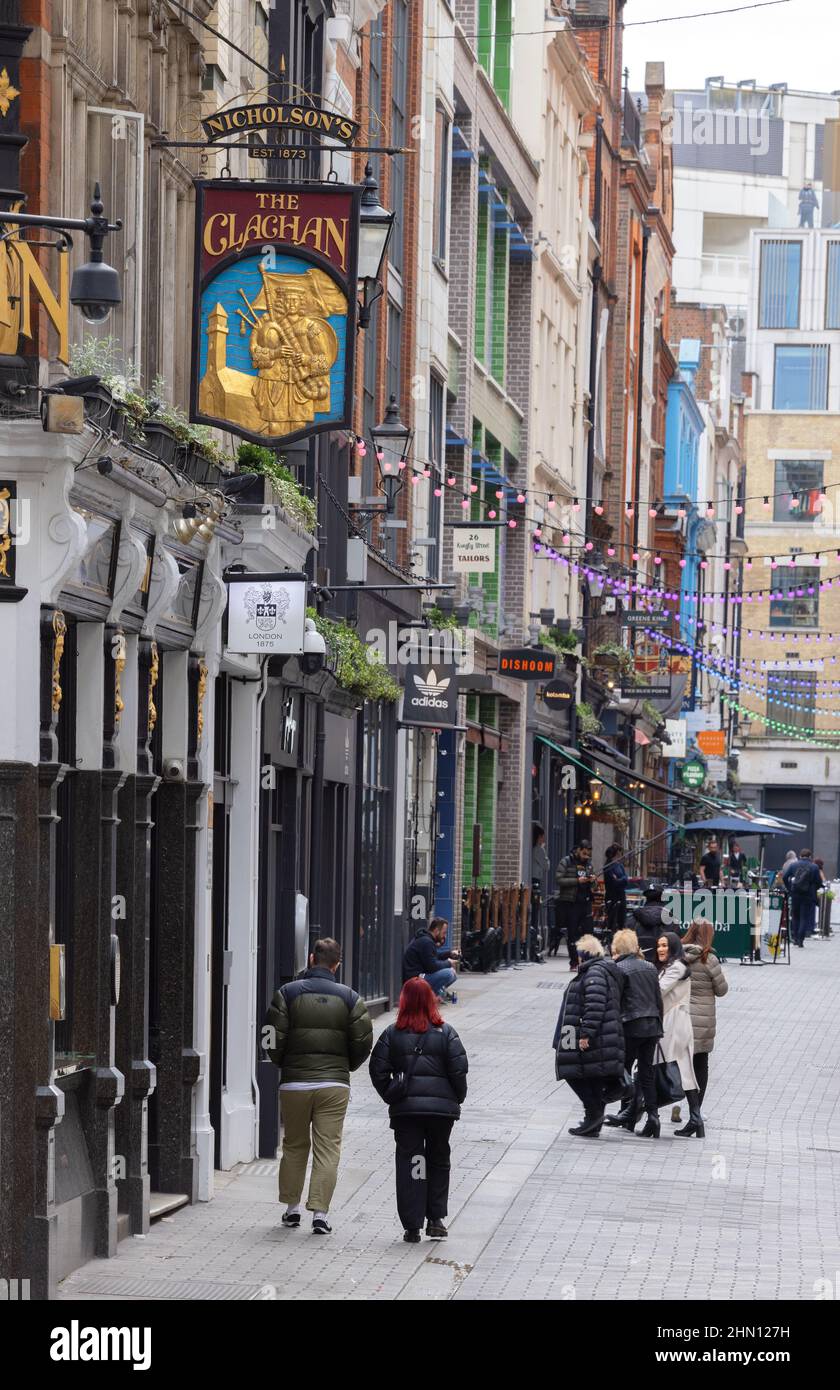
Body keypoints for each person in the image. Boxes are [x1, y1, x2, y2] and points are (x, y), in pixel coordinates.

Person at [264, 937, 373, 1234]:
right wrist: (345, 1066)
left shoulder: (287, 993)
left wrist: (283, 1063)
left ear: (312, 959)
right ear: (337, 964)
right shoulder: (351, 998)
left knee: (295, 1145)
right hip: (334, 1085)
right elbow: (363, 1041)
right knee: (328, 1148)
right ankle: (320, 1214)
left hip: (295, 1084)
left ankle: (291, 1209)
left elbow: (270, 1036)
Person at [369, 978, 468, 1243]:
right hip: (440, 1112)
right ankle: (436, 1219)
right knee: (437, 1159)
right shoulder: (446, 1033)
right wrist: (456, 1098)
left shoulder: (392, 1033)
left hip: (407, 1112)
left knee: (413, 1163)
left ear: (403, 1000)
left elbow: (377, 1069)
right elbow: (459, 1070)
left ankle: (412, 1225)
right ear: (429, 1000)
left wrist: (392, 1093)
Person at [552, 934, 624, 1137]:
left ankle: (593, 1113)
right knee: (589, 1075)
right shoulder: (596, 971)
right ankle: (593, 1119)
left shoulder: (595, 973)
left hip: (586, 1034)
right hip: (580, 1031)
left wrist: (586, 1034)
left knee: (573, 1073)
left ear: (585, 954)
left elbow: (594, 1005)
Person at [605, 928, 664, 1137]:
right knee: (647, 1073)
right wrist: (660, 1027)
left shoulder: (618, 968)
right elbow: (658, 1000)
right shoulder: (650, 967)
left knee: (625, 1069)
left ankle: (626, 1114)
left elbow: (615, 1002)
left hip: (630, 1025)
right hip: (652, 1025)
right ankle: (653, 1118)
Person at [657, 932, 704, 1137]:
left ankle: (639, 1111)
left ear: (674, 947)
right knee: (683, 1069)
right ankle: (696, 1119)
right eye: (658, 945)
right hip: (675, 1021)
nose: (660, 949)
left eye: (665, 945)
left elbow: (659, 990)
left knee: (675, 1068)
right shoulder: (673, 966)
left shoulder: (676, 967)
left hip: (674, 1022)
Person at [681, 919, 728, 1110]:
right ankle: (695, 1110)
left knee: (678, 1062)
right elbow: (722, 990)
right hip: (703, 1021)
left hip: (681, 1016)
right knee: (700, 1064)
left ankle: (669, 1100)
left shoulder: (678, 955)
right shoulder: (709, 959)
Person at [553, 840, 595, 969]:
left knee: (588, 933)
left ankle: (587, 961)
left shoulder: (589, 865)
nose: (586, 857)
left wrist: (592, 881)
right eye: (584, 853)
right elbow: (559, 879)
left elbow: (593, 886)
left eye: (588, 854)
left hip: (586, 902)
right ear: (578, 850)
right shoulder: (567, 861)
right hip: (571, 903)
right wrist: (577, 881)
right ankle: (574, 962)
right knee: (573, 933)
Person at [403, 916, 461, 997]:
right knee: (449, 973)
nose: (445, 936)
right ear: (437, 931)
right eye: (444, 933)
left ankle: (437, 993)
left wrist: (450, 954)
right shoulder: (426, 942)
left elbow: (434, 957)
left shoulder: (427, 940)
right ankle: (429, 997)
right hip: (415, 978)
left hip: (421, 974)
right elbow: (432, 966)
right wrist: (448, 963)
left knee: (453, 974)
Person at [783, 848, 822, 948]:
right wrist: (813, 889)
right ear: (810, 856)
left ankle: (795, 939)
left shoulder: (793, 865)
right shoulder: (814, 867)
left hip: (795, 894)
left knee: (795, 916)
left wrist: (789, 889)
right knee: (804, 917)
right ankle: (801, 940)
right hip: (808, 895)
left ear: (800, 856)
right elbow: (818, 882)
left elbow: (784, 877)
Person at [630, 883, 670, 964]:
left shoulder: (632, 919)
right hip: (663, 968)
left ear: (646, 898)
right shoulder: (670, 920)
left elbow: (623, 946)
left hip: (636, 967)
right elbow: (676, 946)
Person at [530, 823, 550, 961]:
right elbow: (546, 865)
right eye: (543, 837)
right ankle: (532, 946)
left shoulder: (533, 849)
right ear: (539, 837)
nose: (544, 840)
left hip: (534, 879)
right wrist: (544, 851)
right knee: (535, 910)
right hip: (535, 880)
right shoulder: (538, 850)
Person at [602, 843, 629, 946]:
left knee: (622, 919)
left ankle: (621, 942)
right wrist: (620, 880)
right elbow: (614, 882)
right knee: (612, 920)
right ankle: (611, 942)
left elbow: (625, 880)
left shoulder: (619, 865)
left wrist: (620, 879)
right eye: (619, 853)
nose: (620, 855)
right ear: (615, 854)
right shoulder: (608, 866)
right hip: (612, 896)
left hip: (621, 895)